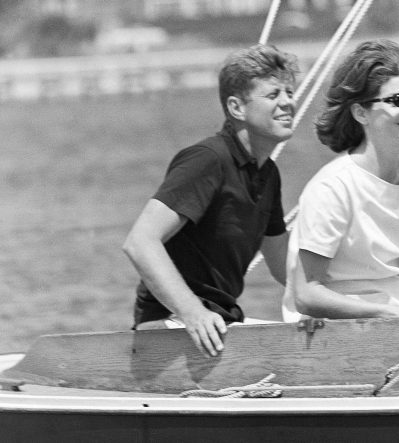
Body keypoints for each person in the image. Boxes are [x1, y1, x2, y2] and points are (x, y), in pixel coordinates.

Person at [123, 44, 298, 356]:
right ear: (236, 108)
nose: (288, 102)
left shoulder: (267, 174)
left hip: (220, 323)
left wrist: (340, 297)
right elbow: (140, 242)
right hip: (172, 326)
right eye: (274, 95)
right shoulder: (208, 160)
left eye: (289, 92)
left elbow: (283, 263)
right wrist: (193, 313)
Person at [281, 40, 399, 322]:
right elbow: (306, 294)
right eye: (398, 100)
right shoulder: (332, 188)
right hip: (330, 330)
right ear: (360, 112)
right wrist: (385, 311)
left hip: (398, 316)